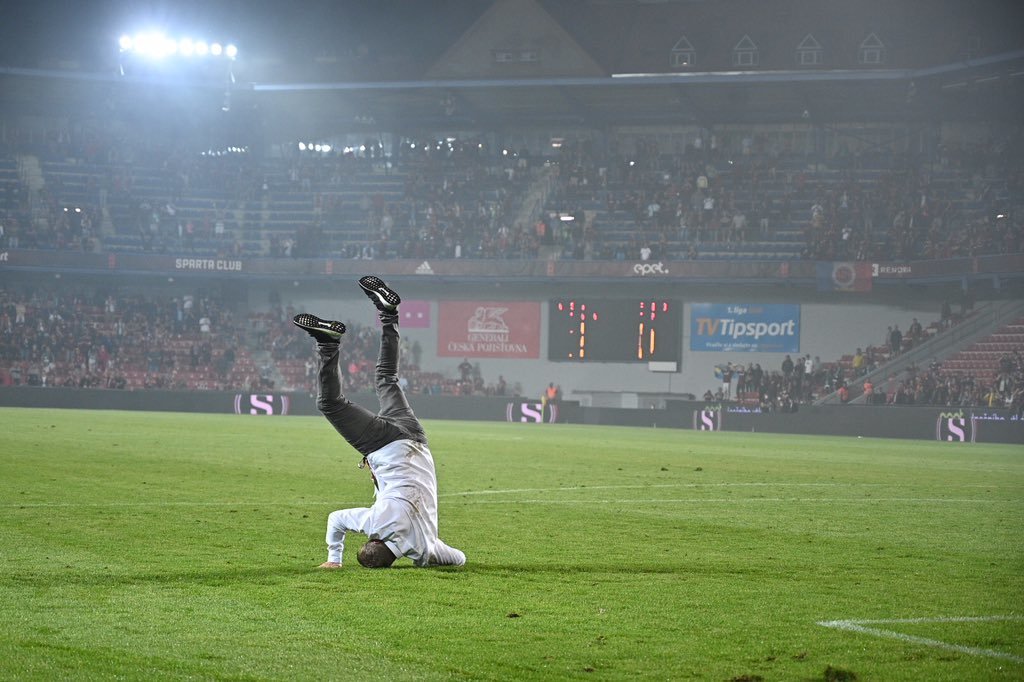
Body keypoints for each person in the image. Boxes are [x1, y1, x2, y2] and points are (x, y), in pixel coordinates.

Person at [293, 275, 466, 570]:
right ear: (373, 540)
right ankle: (328, 344)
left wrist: (428, 558)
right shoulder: (375, 523)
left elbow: (460, 559)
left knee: (387, 377)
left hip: (416, 439)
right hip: (385, 446)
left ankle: (389, 315)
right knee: (330, 404)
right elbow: (336, 520)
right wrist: (334, 559)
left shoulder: (426, 550)